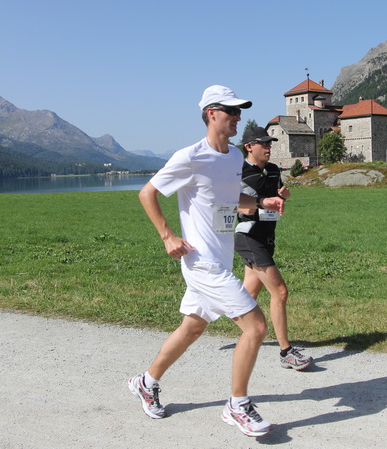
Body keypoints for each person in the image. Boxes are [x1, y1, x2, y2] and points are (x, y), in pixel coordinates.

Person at [128, 85, 285, 437]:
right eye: (232, 111)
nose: (238, 117)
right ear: (212, 113)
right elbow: (147, 193)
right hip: (201, 262)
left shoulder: (233, 157)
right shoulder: (190, 156)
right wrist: (168, 236)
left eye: (239, 111)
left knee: (193, 327)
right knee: (256, 327)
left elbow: (230, 198)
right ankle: (237, 406)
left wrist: (262, 203)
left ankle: (145, 382)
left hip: (221, 259)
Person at [235, 127, 313, 371]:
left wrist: (284, 195)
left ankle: (204, 314)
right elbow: (230, 203)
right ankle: (286, 352)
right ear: (249, 146)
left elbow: (275, 198)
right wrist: (257, 205)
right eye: (264, 143)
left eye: (270, 143)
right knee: (279, 292)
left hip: (268, 236)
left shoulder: (273, 170)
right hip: (249, 236)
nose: (269, 147)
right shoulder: (237, 171)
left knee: (247, 296)